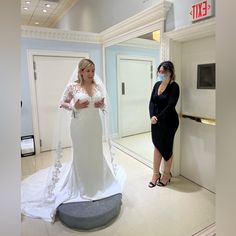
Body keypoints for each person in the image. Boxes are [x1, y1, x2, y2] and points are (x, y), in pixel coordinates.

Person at [21, 58, 125, 222]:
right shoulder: (73, 87)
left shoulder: (97, 86)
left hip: (95, 125)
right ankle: (82, 185)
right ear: (81, 72)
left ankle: (99, 182)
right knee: (82, 154)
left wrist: (101, 105)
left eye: (93, 70)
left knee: (95, 152)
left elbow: (103, 105)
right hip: (79, 126)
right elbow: (62, 102)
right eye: (88, 71)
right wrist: (74, 107)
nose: (91, 74)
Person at [148, 61, 179, 187]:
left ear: (170, 73)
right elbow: (151, 102)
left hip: (169, 122)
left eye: (164, 72)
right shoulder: (157, 85)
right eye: (160, 71)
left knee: (166, 148)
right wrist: (152, 116)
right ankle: (155, 174)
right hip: (156, 121)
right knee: (157, 146)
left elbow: (171, 105)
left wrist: (158, 117)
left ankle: (166, 175)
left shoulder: (174, 86)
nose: (161, 74)